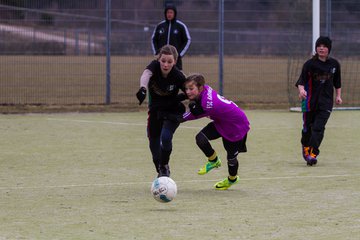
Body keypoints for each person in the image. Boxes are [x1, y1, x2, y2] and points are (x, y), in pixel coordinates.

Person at [181, 73, 250, 190]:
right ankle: (214, 160)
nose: (187, 92)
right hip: (221, 122)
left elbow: (189, 116)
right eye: (186, 89)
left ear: (200, 87)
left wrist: (171, 118)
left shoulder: (207, 104)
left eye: (191, 89)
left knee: (231, 159)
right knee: (200, 138)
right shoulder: (205, 89)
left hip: (235, 127)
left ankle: (232, 179)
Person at [136, 45, 187, 177]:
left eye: (169, 62)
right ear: (159, 59)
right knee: (154, 148)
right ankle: (162, 171)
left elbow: (190, 88)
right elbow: (146, 74)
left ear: (174, 62)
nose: (165, 64)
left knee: (165, 137)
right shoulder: (154, 66)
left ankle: (164, 166)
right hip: (156, 111)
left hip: (173, 111)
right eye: (163, 61)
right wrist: (143, 88)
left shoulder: (177, 75)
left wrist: (196, 101)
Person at [295, 36, 342, 166]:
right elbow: (301, 81)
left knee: (318, 128)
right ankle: (306, 147)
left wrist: (338, 96)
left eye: (324, 46)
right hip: (309, 102)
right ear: (316, 48)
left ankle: (313, 153)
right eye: (319, 46)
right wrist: (301, 90)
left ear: (329, 49)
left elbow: (337, 83)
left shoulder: (334, 64)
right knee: (307, 129)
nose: (321, 48)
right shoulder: (309, 64)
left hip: (326, 103)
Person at [151, 4, 191, 70]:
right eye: (168, 12)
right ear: (165, 14)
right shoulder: (160, 26)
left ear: (174, 14)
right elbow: (153, 39)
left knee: (178, 78)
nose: (169, 14)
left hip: (176, 60)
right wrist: (156, 52)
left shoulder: (181, 26)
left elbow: (187, 40)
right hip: (162, 59)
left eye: (171, 12)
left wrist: (179, 54)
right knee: (161, 77)